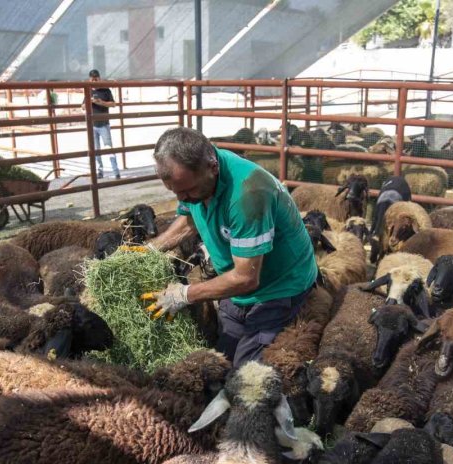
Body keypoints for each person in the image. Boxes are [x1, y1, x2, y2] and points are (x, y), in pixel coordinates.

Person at [144, 126, 318, 369]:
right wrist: (151, 249)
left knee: (246, 373)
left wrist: (185, 294)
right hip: (233, 284)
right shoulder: (196, 183)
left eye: (188, 190)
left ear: (212, 167)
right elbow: (189, 219)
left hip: (277, 286)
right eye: (176, 192)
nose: (182, 199)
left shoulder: (248, 193)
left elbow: (247, 278)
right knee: (219, 363)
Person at [83, 69, 120, 179]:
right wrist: (89, 101)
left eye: (96, 79)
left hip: (104, 124)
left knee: (109, 148)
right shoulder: (88, 91)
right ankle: (100, 172)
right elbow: (82, 107)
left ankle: (116, 171)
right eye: (92, 79)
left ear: (99, 78)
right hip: (92, 125)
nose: (94, 81)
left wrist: (101, 102)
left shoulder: (106, 90)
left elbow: (113, 104)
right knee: (95, 150)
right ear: (90, 79)